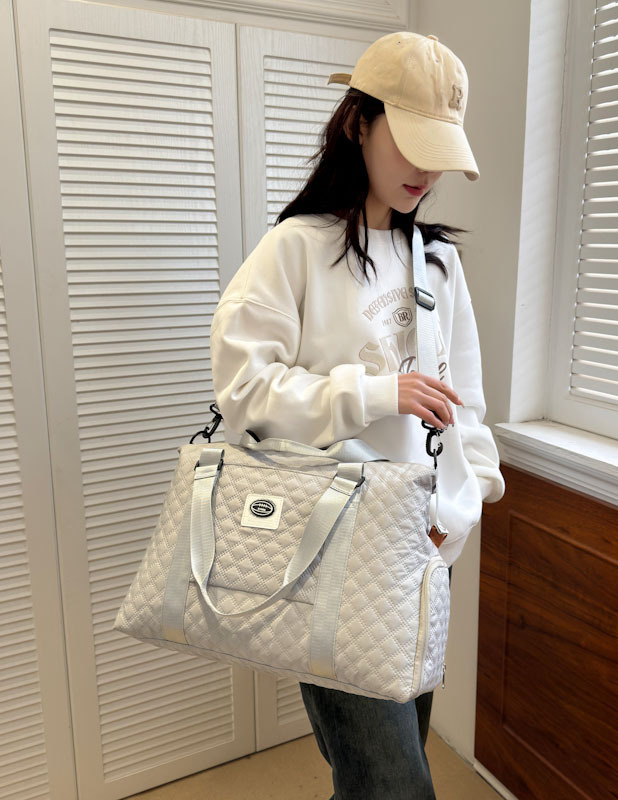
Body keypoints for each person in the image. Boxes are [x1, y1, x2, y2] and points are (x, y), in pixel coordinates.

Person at [210, 31, 505, 800]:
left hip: (424, 553)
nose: (426, 171)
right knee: (393, 782)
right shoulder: (295, 250)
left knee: (390, 764)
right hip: (332, 551)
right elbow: (244, 391)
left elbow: (466, 406)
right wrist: (377, 393)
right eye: (410, 142)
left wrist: (462, 509)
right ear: (358, 123)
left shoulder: (437, 262)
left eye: (439, 151)